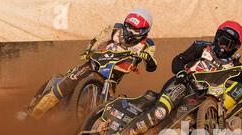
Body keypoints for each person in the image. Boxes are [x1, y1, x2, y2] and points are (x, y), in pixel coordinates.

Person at [113, 21, 242, 135]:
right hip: (183, 85)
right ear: (216, 36)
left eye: (228, 44)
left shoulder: (235, 65)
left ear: (235, 48)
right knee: (160, 112)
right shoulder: (202, 47)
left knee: (180, 125)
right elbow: (178, 60)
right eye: (222, 40)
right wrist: (181, 72)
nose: (223, 46)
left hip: (202, 101)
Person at [20, 9, 158, 120]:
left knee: (107, 105)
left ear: (144, 31)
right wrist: (88, 51)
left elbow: (152, 67)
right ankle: (33, 114)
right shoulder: (115, 29)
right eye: (128, 26)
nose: (129, 31)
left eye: (135, 29)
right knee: (67, 83)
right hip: (95, 62)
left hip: (113, 74)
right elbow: (98, 40)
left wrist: (147, 58)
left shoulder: (148, 44)